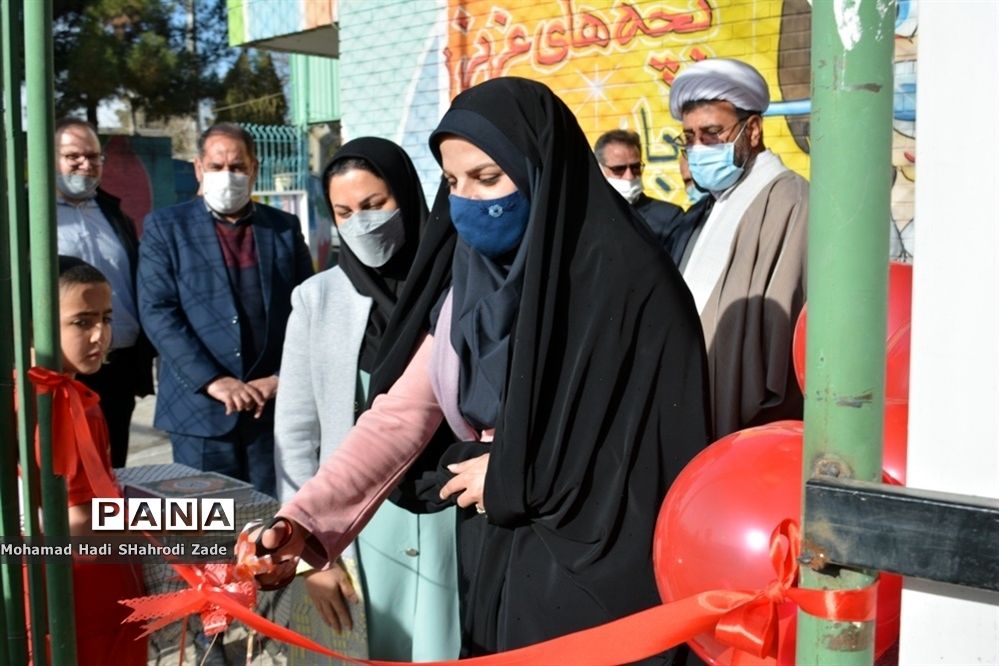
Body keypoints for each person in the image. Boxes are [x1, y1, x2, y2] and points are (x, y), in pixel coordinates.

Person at [254, 77, 711, 659]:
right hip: (494, 547)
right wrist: (303, 524)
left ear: (540, 168)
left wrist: (520, 473)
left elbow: (652, 446)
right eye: (451, 181)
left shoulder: (627, 282)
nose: (466, 199)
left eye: (487, 178)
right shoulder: (465, 286)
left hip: (595, 566)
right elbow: (401, 414)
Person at [274, 137, 460, 661]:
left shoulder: (456, 286)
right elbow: (296, 433)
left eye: (376, 205)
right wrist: (312, 556)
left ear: (405, 194)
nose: (363, 223)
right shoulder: (318, 298)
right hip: (355, 526)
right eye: (344, 211)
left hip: (450, 520)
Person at [137, 123, 313, 497]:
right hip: (199, 411)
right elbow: (157, 311)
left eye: (237, 166)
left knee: (269, 522)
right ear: (199, 169)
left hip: (270, 409)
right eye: (217, 167)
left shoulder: (283, 228)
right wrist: (214, 381)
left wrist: (283, 376)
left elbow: (308, 311)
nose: (227, 176)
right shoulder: (166, 228)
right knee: (205, 525)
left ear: (254, 168)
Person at [669, 58, 808, 438]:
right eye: (690, 137)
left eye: (712, 133)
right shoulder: (718, 201)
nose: (699, 148)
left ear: (753, 130)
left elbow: (776, 337)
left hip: (741, 423)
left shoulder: (787, 199)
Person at [25, 256, 147, 664]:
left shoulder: (54, 394)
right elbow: (76, 521)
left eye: (107, 318)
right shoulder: (57, 406)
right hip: (85, 593)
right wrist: (190, 520)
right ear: (35, 323)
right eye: (82, 322)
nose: (101, 335)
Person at [54, 117, 155, 467]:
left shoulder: (115, 214)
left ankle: (110, 523)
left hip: (117, 363)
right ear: (50, 157)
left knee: (112, 469)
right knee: (67, 473)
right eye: (73, 156)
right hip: (60, 367)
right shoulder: (28, 216)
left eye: (94, 156)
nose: (86, 164)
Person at [594, 129, 684, 248]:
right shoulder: (587, 218)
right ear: (600, 169)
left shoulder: (668, 217)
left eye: (635, 167)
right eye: (619, 169)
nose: (629, 176)